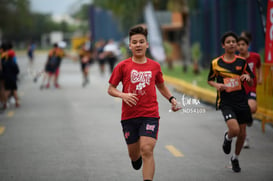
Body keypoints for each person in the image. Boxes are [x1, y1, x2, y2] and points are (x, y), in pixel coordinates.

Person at [107, 26, 180, 181]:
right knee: (134, 155)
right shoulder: (123, 66)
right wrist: (123, 95)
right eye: (135, 42)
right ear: (130, 45)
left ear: (147, 44)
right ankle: (136, 159)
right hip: (129, 116)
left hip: (150, 114)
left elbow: (160, 85)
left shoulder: (155, 66)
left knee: (147, 149)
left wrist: (172, 99)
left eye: (141, 42)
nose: (138, 45)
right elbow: (111, 89)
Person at [207, 32, 254, 173]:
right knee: (235, 130)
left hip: (241, 101)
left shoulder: (242, 62)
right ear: (223, 45)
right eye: (228, 42)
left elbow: (251, 79)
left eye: (234, 41)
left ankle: (235, 158)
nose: (232, 44)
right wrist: (217, 86)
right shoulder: (216, 63)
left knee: (242, 133)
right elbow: (210, 80)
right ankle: (227, 138)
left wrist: (247, 77)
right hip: (226, 102)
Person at [237, 36, 262, 148]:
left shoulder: (255, 56)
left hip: (251, 88)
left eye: (243, 44)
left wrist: (260, 77)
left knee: (252, 108)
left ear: (248, 46)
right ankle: (245, 138)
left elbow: (259, 66)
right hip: (239, 90)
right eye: (239, 45)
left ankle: (248, 117)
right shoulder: (235, 59)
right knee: (242, 114)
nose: (241, 47)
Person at [1, 41, 20, 108]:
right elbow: (17, 71)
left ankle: (5, 103)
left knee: (7, 90)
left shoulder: (4, 62)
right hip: (13, 78)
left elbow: (2, 70)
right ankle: (17, 102)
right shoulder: (13, 63)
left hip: (6, 78)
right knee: (14, 90)